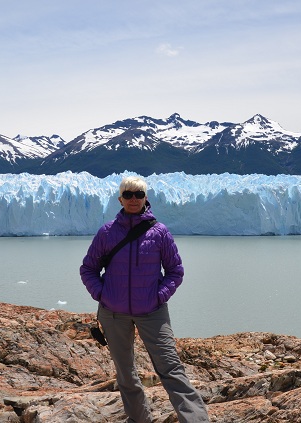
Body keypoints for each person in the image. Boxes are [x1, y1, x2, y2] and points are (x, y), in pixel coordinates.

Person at [80, 176, 209, 423]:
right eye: (128, 194)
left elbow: (175, 271)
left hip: (152, 311)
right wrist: (102, 294)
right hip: (114, 313)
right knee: (126, 374)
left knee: (171, 369)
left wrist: (158, 296)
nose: (133, 199)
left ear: (146, 198)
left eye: (139, 194)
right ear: (120, 199)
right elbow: (88, 269)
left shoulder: (159, 232)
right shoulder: (107, 232)